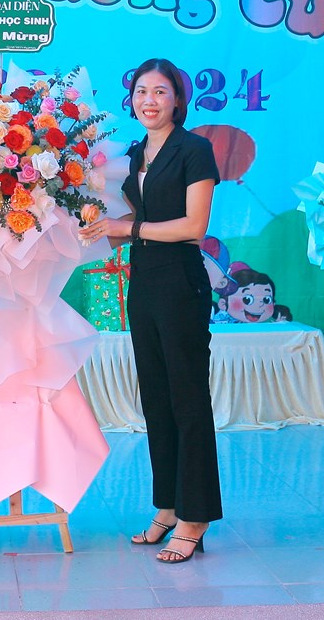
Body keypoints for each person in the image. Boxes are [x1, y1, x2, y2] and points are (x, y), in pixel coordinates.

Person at [79, 57, 222, 564]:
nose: (149, 100)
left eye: (160, 91)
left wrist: (129, 229)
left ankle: (196, 516)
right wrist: (86, 219)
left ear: (178, 99)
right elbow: (128, 220)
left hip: (181, 283)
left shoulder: (195, 150)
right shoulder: (134, 153)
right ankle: (168, 506)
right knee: (157, 401)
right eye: (142, 91)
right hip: (143, 282)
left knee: (187, 400)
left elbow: (193, 227)